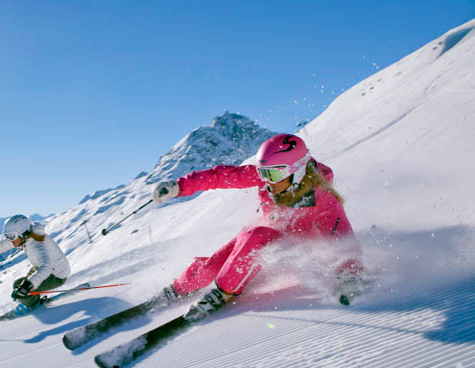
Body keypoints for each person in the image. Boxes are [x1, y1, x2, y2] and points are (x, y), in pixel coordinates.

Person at [152, 133, 363, 321]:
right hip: (256, 241)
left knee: (256, 234)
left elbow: (343, 240)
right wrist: (179, 187)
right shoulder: (270, 179)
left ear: (296, 171)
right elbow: (220, 176)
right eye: (262, 173)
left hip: (287, 249)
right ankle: (179, 287)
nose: (265, 181)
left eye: (271, 175)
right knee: (212, 266)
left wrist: (349, 276)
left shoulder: (323, 200)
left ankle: (223, 292)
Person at [0, 214, 71, 309]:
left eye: (11, 236)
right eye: (7, 236)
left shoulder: (38, 244)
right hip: (45, 266)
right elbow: (1, 246)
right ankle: (31, 296)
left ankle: (35, 306)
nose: (9, 240)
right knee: (21, 285)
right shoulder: (28, 236)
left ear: (23, 233)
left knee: (20, 287)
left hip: (56, 275)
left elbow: (46, 267)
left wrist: (28, 286)